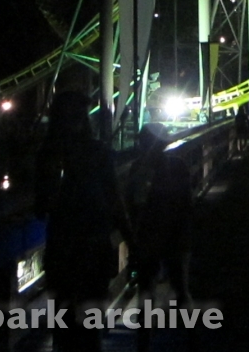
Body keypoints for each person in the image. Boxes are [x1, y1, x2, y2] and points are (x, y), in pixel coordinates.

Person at [35, 90, 131, 352]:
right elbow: (114, 199)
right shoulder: (96, 151)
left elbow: (40, 207)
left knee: (64, 327)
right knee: (89, 325)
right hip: (93, 248)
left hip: (64, 251)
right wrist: (130, 238)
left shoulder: (48, 154)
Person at [125, 123, 194, 306]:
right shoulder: (178, 165)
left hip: (147, 235)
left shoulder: (137, 169)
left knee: (146, 290)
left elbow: (132, 204)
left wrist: (132, 240)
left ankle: (145, 333)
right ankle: (191, 331)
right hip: (176, 235)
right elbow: (187, 203)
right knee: (180, 288)